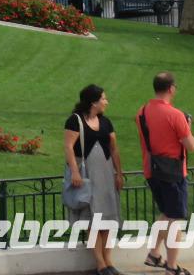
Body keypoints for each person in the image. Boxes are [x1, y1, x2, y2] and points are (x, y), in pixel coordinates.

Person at [137, 71, 194, 275]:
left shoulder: (142, 112)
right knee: (173, 220)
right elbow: (190, 145)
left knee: (165, 214)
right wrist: (188, 127)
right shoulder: (175, 115)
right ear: (171, 89)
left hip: (151, 170)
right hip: (173, 173)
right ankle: (172, 266)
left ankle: (154, 254)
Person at [63, 83, 123, 274]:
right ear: (93, 102)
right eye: (104, 98)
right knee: (92, 221)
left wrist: (118, 173)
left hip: (105, 176)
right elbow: (68, 148)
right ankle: (100, 263)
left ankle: (108, 260)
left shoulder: (106, 122)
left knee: (107, 220)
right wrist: (75, 172)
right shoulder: (74, 121)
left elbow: (113, 148)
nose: (106, 102)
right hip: (87, 176)